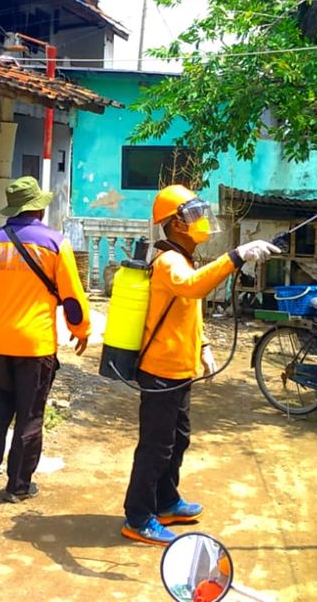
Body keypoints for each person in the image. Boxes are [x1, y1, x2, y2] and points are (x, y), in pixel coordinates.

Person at [121, 184, 281, 545]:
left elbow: (186, 311)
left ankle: (166, 502)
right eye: (193, 215)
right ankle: (138, 516)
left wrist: (204, 345)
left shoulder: (184, 258)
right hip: (160, 372)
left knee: (177, 441)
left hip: (180, 370)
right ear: (176, 224)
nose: (201, 221)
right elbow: (192, 288)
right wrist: (236, 256)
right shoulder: (168, 262)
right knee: (154, 446)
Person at [0, 175, 91, 503]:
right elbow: (72, 295)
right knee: (30, 413)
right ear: (39, 211)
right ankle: (18, 484)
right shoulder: (56, 243)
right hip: (36, 345)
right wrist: (81, 329)